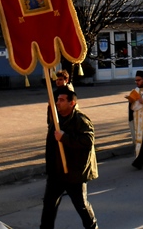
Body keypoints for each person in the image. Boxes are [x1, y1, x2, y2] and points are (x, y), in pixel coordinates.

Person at [40, 88, 98, 229]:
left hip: (74, 172)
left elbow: (87, 141)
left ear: (72, 103)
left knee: (81, 205)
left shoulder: (80, 119)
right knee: (49, 205)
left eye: (61, 100)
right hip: (56, 171)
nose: (58, 103)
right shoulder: (56, 117)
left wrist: (65, 138)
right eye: (57, 100)